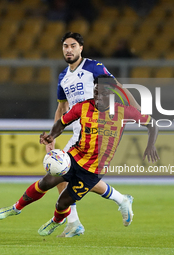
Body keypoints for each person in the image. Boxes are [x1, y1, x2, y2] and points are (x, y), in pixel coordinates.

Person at [0, 75, 159, 236]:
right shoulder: (83, 107)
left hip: (94, 170)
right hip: (74, 157)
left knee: (63, 202)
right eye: (95, 93)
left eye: (102, 94)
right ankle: (16, 208)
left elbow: (152, 124)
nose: (98, 97)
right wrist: (51, 136)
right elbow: (62, 123)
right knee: (46, 182)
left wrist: (150, 144)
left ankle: (57, 221)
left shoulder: (124, 112)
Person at [49, 32, 142, 237]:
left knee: (60, 172)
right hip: (78, 131)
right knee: (75, 176)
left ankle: (73, 221)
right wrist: (52, 134)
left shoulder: (93, 67)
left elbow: (117, 87)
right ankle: (119, 200)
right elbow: (62, 108)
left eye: (73, 46)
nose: (69, 49)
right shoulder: (63, 77)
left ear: (81, 48)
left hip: (95, 130)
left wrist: (138, 112)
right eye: (65, 46)